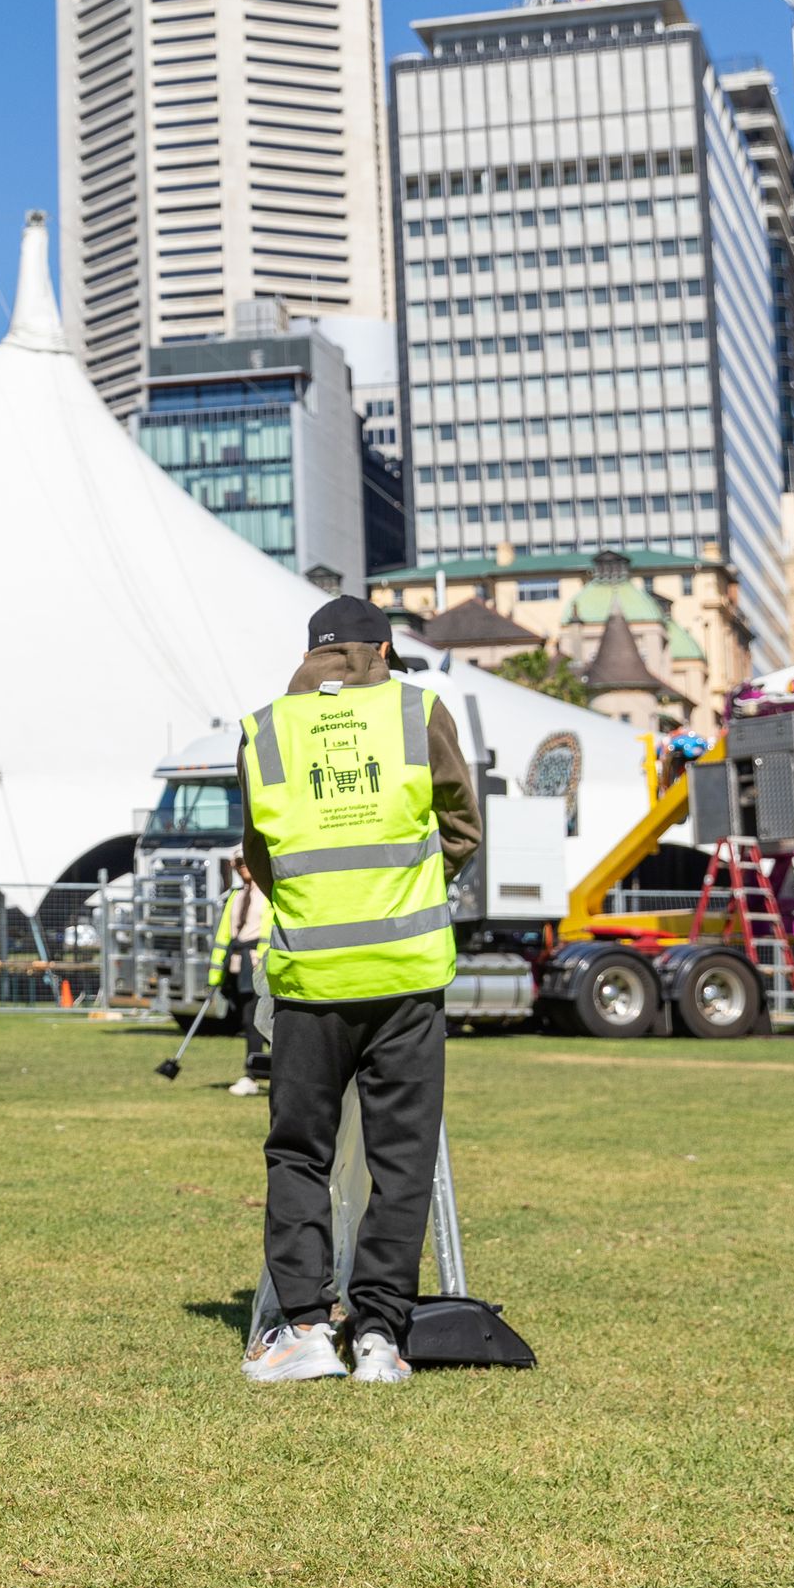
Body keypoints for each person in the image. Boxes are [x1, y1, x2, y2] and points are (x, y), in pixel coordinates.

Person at [236, 593, 482, 1387]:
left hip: (311, 976)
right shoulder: (418, 711)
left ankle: (306, 1327)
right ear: (382, 650)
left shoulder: (266, 728)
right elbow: (462, 828)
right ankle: (381, 1336)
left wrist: (318, 908)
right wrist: (407, 889)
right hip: (408, 973)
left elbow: (260, 855)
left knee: (300, 1153)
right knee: (400, 1160)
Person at [209, 874, 272, 1096]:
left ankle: (252, 1074)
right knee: (249, 1020)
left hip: (259, 967)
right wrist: (216, 971)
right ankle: (261, 1068)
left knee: (255, 1021)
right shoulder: (236, 895)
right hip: (237, 966)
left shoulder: (267, 893)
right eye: (238, 864)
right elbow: (224, 933)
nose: (242, 868)